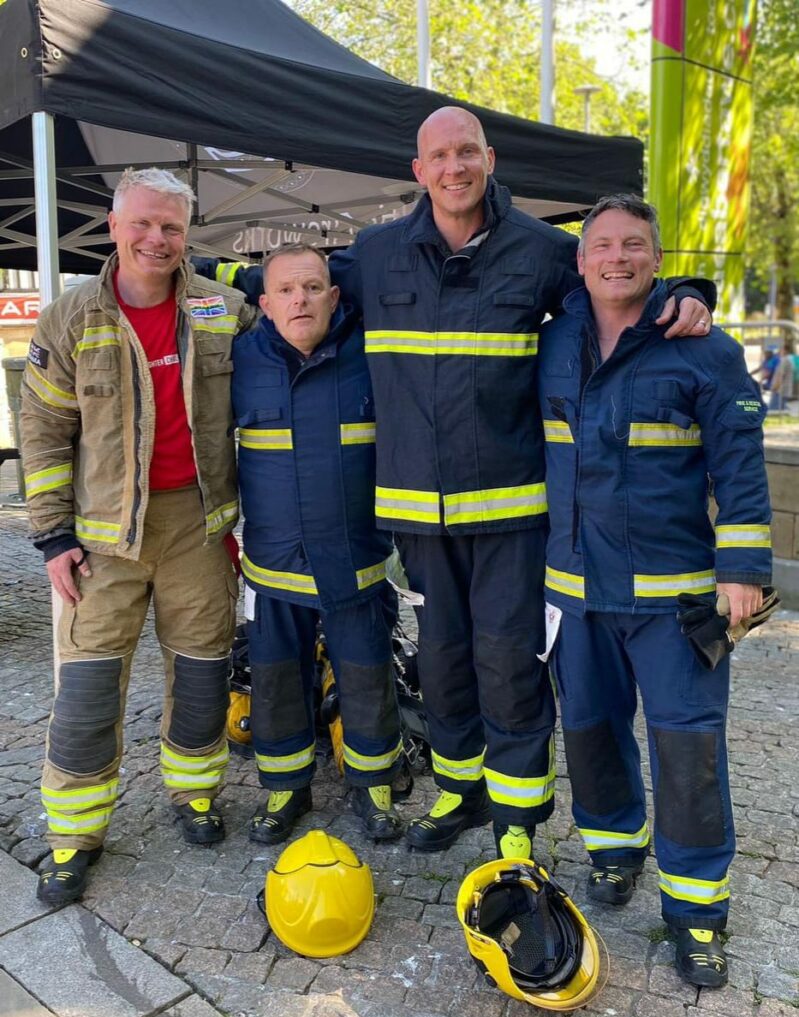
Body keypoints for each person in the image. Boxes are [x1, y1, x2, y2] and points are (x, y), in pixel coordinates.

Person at [197, 106, 714, 860]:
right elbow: (282, 283)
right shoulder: (375, 255)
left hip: (509, 514)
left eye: (465, 152)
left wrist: (687, 287)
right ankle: (458, 793)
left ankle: (516, 821)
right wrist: (176, 267)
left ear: (489, 158)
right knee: (440, 665)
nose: (453, 167)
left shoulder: (540, 252)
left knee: (507, 665)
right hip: (416, 520)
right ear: (418, 171)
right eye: (438, 156)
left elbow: (617, 285)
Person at [537, 194, 771, 988]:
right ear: (578, 261)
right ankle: (611, 850)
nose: (615, 258)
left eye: (632, 245)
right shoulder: (554, 337)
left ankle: (696, 910)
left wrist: (742, 569)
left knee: (687, 753)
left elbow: (738, 463)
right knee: (592, 734)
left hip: (676, 598)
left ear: (656, 257)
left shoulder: (702, 348)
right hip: (576, 591)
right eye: (600, 244)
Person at [20, 167, 256, 906]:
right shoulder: (69, 318)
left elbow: (292, 345)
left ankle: (193, 796)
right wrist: (54, 538)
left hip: (198, 526)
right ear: (115, 229)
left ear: (188, 235)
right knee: (87, 690)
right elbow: (43, 431)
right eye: (143, 224)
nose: (156, 239)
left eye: (172, 227)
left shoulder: (225, 309)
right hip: (101, 543)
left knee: (201, 672)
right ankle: (72, 836)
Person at [232, 243, 403, 843]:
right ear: (265, 303)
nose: (299, 300)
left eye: (311, 288)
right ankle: (285, 789)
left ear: (334, 297)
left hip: (353, 561)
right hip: (274, 566)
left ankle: (374, 788)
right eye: (285, 290)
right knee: (276, 678)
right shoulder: (239, 358)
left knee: (367, 676)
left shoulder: (372, 353)